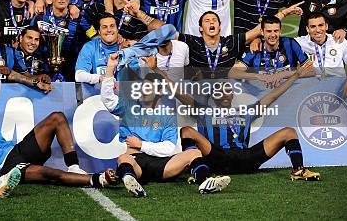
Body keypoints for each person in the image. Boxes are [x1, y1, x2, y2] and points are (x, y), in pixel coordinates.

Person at [0, 64, 119, 189]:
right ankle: (97, 179)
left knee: (57, 117)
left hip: (15, 150)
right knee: (50, 173)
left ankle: (73, 166)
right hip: (5, 167)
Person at [101, 54, 231, 196]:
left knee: (194, 153)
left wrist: (141, 145)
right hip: (136, 161)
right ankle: (132, 182)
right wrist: (110, 69)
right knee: (123, 158)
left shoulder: (167, 115)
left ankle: (205, 182)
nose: (146, 91)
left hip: (162, 165)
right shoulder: (130, 106)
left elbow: (169, 148)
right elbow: (108, 100)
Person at [174, 73, 321, 181]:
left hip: (246, 158)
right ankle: (199, 173)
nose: (224, 94)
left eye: (228, 91)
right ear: (213, 96)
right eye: (219, 92)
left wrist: (295, 76)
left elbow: (273, 96)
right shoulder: (204, 111)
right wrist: (159, 73)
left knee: (289, 132)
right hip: (216, 158)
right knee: (186, 131)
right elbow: (180, 95)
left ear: (232, 95)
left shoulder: (245, 112)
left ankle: (298, 170)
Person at [174, 8, 300, 79]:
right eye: (207, 21)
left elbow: (258, 30)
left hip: (224, 91)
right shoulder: (192, 41)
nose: (211, 22)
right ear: (201, 28)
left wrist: (284, 13)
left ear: (219, 26)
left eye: (214, 20)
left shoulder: (231, 42)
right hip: (200, 89)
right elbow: (169, 33)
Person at [294, 12, 347, 99]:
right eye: (313, 26)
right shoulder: (299, 43)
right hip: (311, 93)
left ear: (326, 26)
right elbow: (274, 38)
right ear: (307, 29)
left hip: (338, 90)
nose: (318, 30)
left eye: (321, 25)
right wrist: (283, 13)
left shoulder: (338, 41)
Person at [229, 16, 314, 85]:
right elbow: (233, 73)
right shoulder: (255, 49)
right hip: (261, 96)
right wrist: (258, 76)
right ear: (262, 32)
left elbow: (311, 71)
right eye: (269, 31)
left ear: (280, 31)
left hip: (288, 93)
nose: (273, 35)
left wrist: (282, 74)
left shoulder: (290, 44)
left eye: (276, 31)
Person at [37, 0, 86, 81]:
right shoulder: (41, 16)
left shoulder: (78, 17)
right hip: (45, 67)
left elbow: (92, 36)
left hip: (72, 67)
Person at [75, 16, 120, 84]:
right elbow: (79, 75)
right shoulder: (90, 47)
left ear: (117, 29)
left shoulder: (126, 47)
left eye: (112, 26)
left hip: (124, 92)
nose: (109, 30)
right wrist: (99, 79)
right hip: (99, 92)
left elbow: (137, 74)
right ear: (99, 31)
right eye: (104, 27)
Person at [12, 26, 52, 91]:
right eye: (29, 38)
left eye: (36, 39)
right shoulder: (11, 55)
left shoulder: (42, 58)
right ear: (21, 38)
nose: (33, 42)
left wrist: (46, 79)